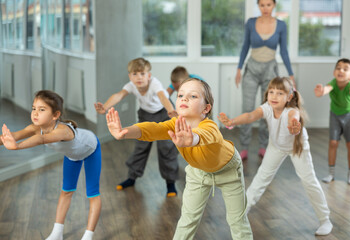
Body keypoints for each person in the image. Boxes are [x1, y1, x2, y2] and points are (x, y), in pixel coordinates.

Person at [106, 78, 253, 240]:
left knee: (237, 220)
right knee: (188, 219)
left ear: (206, 108)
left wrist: (192, 139)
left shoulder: (210, 126)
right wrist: (124, 131)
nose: (184, 98)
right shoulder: (175, 123)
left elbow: (205, 136)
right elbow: (153, 129)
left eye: (193, 96)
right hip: (198, 172)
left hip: (228, 171)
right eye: (181, 95)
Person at [219, 77, 333, 236]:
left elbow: (294, 117)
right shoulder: (267, 107)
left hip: (296, 147)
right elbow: (251, 116)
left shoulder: (291, 111)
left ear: (289, 97)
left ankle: (325, 219)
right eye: (271, 92)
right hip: (276, 146)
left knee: (309, 181)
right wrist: (232, 121)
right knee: (261, 178)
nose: (274, 96)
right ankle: (241, 212)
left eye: (280, 93)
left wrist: (294, 128)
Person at [0, 90, 101, 240]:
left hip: (91, 149)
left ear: (55, 115)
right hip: (72, 156)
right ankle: (57, 233)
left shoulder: (63, 131)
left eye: (42, 110)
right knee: (66, 191)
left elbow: (42, 139)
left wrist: (17, 147)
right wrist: (7, 140)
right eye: (34, 108)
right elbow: (13, 136)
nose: (35, 113)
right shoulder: (35, 127)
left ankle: (88, 235)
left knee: (92, 193)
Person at [94, 57, 179, 197]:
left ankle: (171, 183)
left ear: (149, 75)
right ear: (130, 76)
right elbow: (119, 95)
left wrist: (171, 110)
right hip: (146, 115)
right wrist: (105, 107)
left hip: (164, 113)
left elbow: (163, 97)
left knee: (166, 148)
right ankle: (131, 178)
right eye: (135, 74)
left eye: (142, 74)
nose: (139, 77)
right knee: (141, 147)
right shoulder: (131, 85)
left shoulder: (155, 84)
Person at [235, 0, 295, 160]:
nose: (265, 8)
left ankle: (264, 146)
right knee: (247, 108)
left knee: (268, 109)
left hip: (270, 71)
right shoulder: (251, 23)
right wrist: (239, 69)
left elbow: (284, 52)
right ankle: (244, 147)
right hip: (252, 70)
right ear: (258, 6)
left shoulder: (281, 25)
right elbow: (245, 46)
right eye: (262, 5)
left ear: (274, 5)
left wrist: (291, 75)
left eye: (268, 4)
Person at [314, 58, 350, 185]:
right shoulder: (333, 83)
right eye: (338, 68)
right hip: (335, 115)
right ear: (334, 71)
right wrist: (321, 92)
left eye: (345, 69)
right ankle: (331, 173)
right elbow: (326, 89)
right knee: (333, 143)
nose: (340, 70)